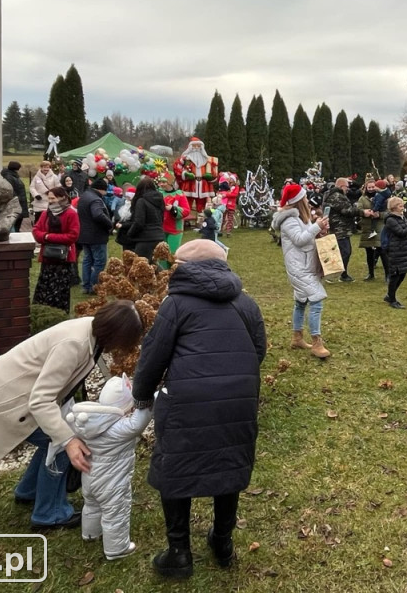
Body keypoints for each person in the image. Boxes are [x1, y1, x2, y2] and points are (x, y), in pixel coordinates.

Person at [0, 300, 144, 530]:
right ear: (115, 334)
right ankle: (49, 514)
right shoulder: (73, 344)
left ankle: (30, 491)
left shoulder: (91, 332)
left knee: (58, 437)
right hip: (11, 398)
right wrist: (68, 440)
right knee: (62, 444)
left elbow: (61, 388)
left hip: (19, 392)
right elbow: (41, 400)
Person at [131, 240, 266, 578]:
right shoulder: (246, 303)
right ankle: (222, 542)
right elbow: (258, 350)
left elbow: (153, 355)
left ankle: (178, 553)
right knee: (229, 462)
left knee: (177, 466)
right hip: (238, 399)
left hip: (187, 399)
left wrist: (142, 394)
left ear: (185, 268)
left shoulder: (175, 304)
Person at [68, 373, 153, 561]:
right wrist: (153, 396)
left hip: (89, 478)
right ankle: (117, 548)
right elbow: (141, 419)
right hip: (111, 483)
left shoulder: (89, 422)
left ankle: (90, 534)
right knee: (115, 512)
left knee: (91, 506)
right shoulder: (120, 428)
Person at [271, 184, 331, 358]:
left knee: (301, 302)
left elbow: (308, 238)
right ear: (299, 200)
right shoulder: (289, 220)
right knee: (317, 299)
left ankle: (297, 338)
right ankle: (316, 343)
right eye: (305, 197)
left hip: (306, 266)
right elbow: (299, 240)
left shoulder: (300, 218)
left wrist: (320, 230)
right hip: (299, 269)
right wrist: (316, 226)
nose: (308, 200)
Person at [32, 186, 80, 312]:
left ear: (62, 198)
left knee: (60, 290)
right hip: (47, 258)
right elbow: (36, 231)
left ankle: (59, 314)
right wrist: (45, 236)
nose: (50, 201)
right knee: (44, 288)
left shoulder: (71, 214)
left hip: (64, 259)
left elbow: (72, 236)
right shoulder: (45, 213)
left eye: (53, 198)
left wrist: (48, 236)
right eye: (49, 198)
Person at [77, 178, 114, 296]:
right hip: (96, 236)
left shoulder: (84, 196)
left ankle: (86, 285)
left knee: (87, 260)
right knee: (99, 262)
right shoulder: (96, 199)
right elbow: (98, 214)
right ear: (101, 189)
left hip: (84, 234)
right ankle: (94, 286)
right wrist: (109, 224)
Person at [322, 177, 359, 282]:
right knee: (345, 251)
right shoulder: (337, 196)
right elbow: (347, 211)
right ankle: (335, 274)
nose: (348, 189)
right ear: (341, 186)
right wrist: (362, 212)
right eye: (347, 187)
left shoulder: (330, 194)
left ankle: (342, 273)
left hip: (338, 227)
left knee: (340, 251)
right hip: (339, 228)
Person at [384, 195, 407, 309]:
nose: (402, 207)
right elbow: (402, 232)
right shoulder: (390, 220)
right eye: (399, 205)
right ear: (393, 207)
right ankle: (392, 299)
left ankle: (390, 295)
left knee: (402, 274)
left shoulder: (402, 217)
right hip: (395, 250)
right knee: (395, 275)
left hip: (403, 249)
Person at [124, 177, 164, 262]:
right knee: (151, 264)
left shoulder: (141, 201)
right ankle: (167, 274)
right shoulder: (159, 199)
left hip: (145, 238)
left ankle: (170, 275)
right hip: (158, 235)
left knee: (140, 266)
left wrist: (130, 233)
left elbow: (139, 222)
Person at [157, 172, 192, 256]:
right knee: (162, 253)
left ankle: (173, 269)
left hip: (175, 229)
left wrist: (173, 209)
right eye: (160, 182)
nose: (161, 184)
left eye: (164, 182)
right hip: (161, 228)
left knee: (172, 254)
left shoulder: (179, 195)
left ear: (170, 182)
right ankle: (163, 269)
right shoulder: (159, 194)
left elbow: (186, 211)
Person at [357, 180, 384, 280]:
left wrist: (379, 214)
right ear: (366, 188)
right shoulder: (362, 199)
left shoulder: (382, 197)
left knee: (382, 251)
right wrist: (364, 212)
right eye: (369, 187)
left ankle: (388, 274)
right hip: (368, 227)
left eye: (373, 187)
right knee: (369, 253)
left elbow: (388, 211)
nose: (371, 189)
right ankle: (371, 273)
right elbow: (358, 210)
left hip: (379, 227)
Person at [1, 160, 29, 232]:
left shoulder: (13, 176)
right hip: (16, 203)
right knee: (15, 222)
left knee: (18, 222)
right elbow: (10, 190)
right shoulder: (9, 177)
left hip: (19, 201)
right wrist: (17, 198)